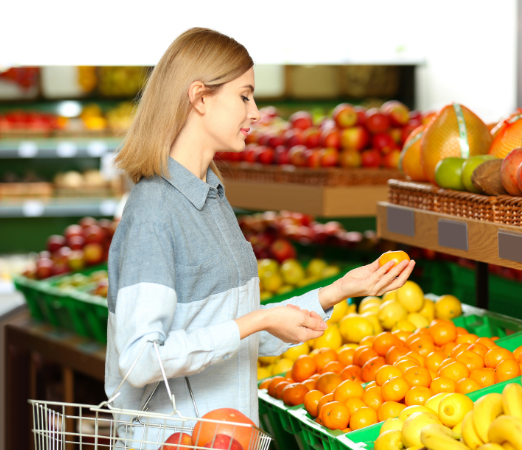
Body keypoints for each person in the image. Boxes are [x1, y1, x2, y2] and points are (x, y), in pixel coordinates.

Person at [105, 27, 415, 446]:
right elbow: (141, 361)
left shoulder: (212, 198)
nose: (255, 112)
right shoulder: (154, 211)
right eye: (245, 96)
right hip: (174, 440)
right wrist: (261, 318)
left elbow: (237, 335)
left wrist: (338, 291)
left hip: (228, 436)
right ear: (199, 98)